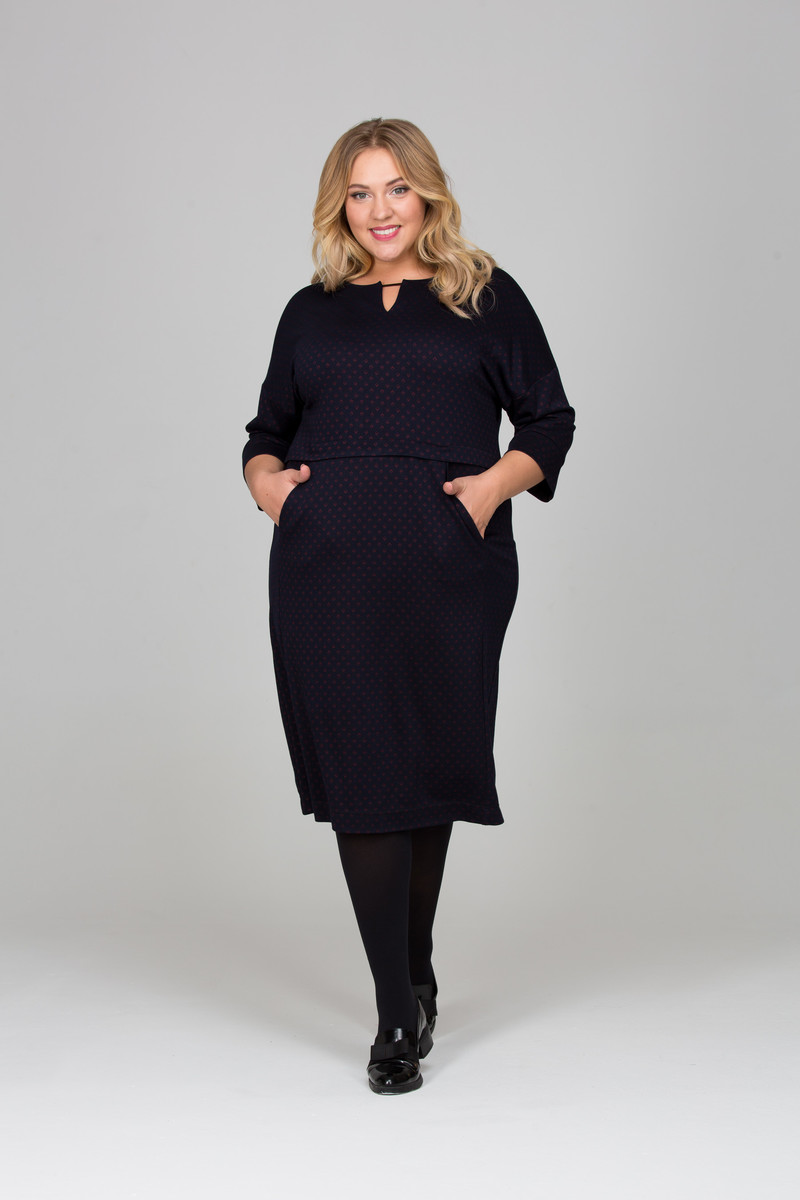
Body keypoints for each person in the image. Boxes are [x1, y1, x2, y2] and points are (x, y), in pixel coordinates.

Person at [242, 118, 575, 1095]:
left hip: (448, 569)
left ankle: (412, 972)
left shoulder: (485, 295)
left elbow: (548, 419)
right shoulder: (309, 313)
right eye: (359, 193)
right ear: (338, 206)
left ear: (427, 192)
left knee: (425, 764)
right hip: (327, 571)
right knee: (362, 774)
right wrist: (269, 488)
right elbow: (265, 433)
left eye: (396, 188)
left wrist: (487, 490)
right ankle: (396, 1010)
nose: (379, 210)